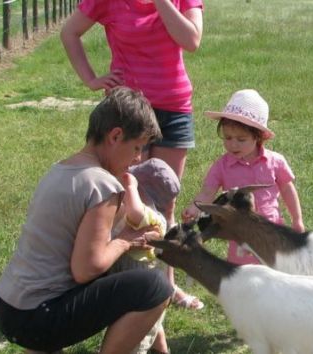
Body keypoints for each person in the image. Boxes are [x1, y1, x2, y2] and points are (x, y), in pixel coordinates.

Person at [0, 87, 172, 353]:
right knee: (155, 288)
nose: (137, 159)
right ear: (115, 136)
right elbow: (86, 269)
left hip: (8, 307)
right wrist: (125, 241)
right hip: (39, 317)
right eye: (137, 147)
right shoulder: (103, 185)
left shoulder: (61, 168)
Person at [61, 0, 205, 314]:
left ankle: (166, 286)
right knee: (124, 201)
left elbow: (191, 40)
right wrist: (91, 80)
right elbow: (69, 33)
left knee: (165, 203)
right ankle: (124, 281)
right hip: (129, 114)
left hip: (174, 110)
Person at [181, 89, 305, 265]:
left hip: (272, 231)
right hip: (239, 234)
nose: (233, 144)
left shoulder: (274, 162)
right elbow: (208, 191)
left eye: (241, 139)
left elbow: (287, 189)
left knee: (275, 272)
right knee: (242, 273)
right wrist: (195, 208)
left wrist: (297, 220)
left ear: (258, 137)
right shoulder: (222, 166)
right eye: (228, 137)